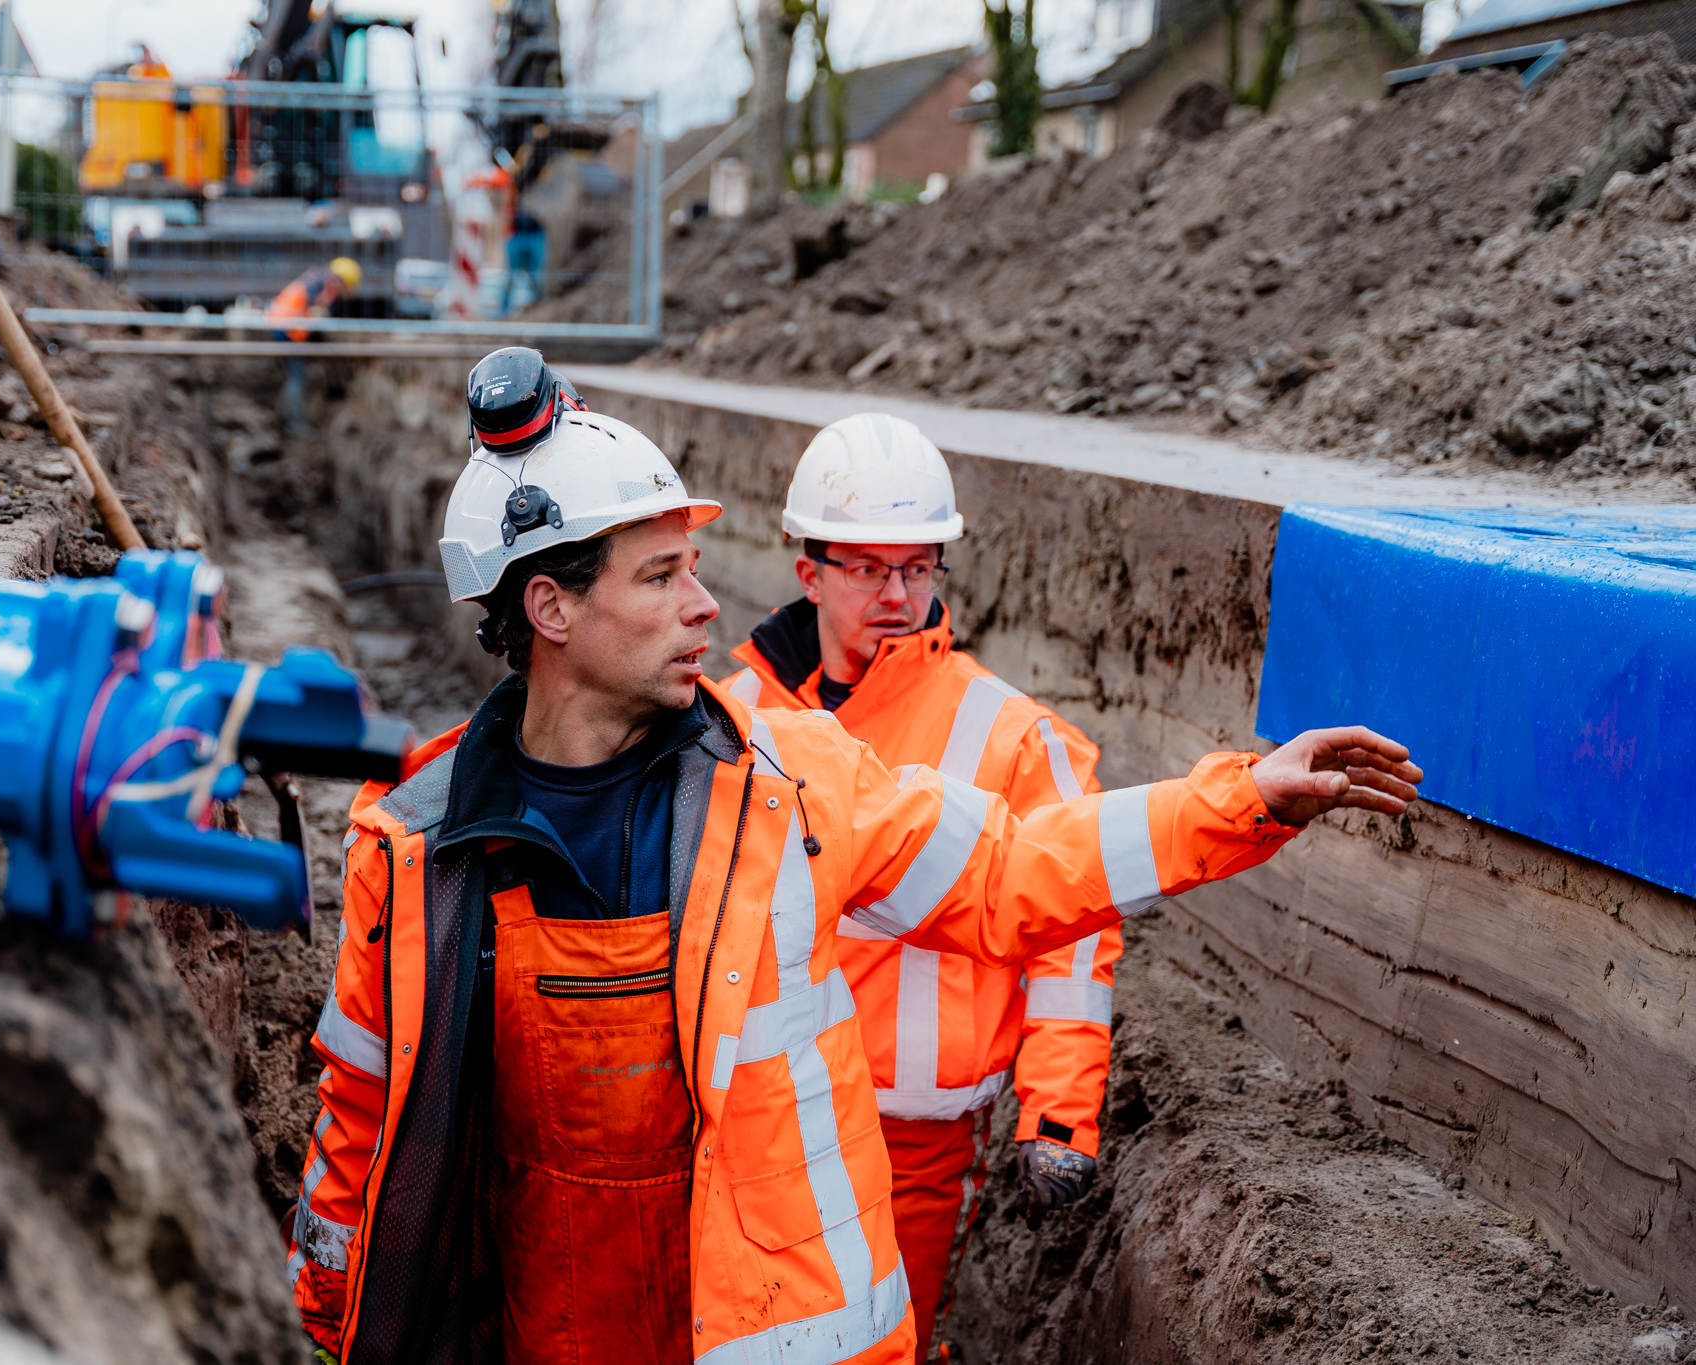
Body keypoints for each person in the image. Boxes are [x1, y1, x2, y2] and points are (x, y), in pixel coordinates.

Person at [289, 351, 1422, 1364]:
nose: (702, 603)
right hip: (543, 1318)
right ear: (548, 606)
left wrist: (1240, 798)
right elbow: (359, 1128)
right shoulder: (415, 848)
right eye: (658, 576)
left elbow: (1013, 871)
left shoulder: (780, 781)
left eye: (693, 567)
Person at [720, 413, 1114, 1360]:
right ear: (808, 570)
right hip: (753, 1115)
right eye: (866, 567)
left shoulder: (1012, 734)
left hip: (918, 1141)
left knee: (880, 1341)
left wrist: (1060, 1107)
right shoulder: (729, 718)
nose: (896, 593)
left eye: (918, 566)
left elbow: (1075, 930)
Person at [268, 255, 361, 433]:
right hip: (286, 330)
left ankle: (283, 420)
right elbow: (314, 314)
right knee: (297, 377)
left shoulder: (317, 279)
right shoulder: (322, 284)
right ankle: (293, 423)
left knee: (293, 376)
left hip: (283, 328)